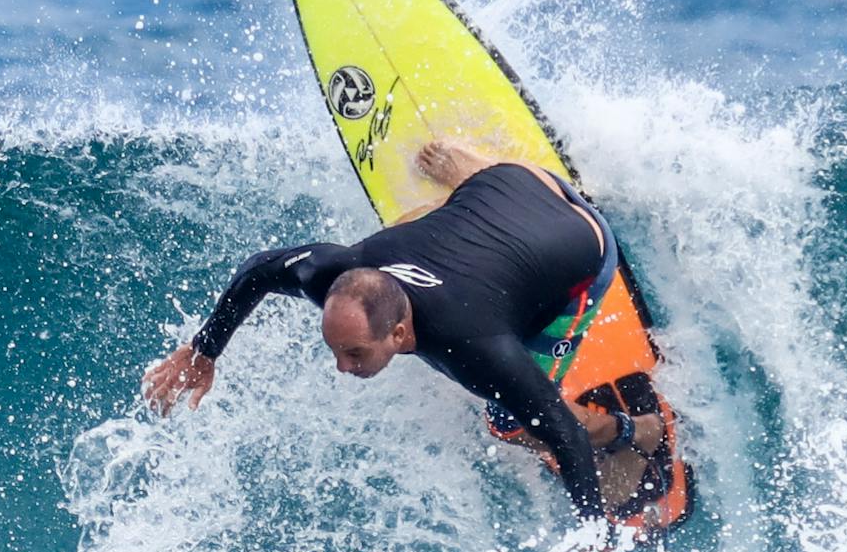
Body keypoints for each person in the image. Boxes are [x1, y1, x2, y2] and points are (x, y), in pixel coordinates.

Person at [140, 141, 671, 525]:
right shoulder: (332, 271)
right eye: (337, 350)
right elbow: (257, 269)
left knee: (512, 422)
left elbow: (566, 433)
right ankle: (471, 173)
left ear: (399, 333)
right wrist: (203, 352)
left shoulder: (476, 347)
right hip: (515, 180)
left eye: (354, 352)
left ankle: (634, 432)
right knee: (403, 234)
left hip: (586, 245)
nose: (343, 368)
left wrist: (597, 548)